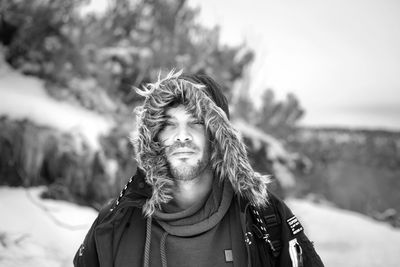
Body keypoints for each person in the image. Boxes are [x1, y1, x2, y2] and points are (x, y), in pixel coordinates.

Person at [74, 70, 324, 267]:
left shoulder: (264, 218)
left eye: (195, 122)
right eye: (170, 124)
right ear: (154, 137)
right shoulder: (115, 223)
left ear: (218, 135)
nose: (182, 136)